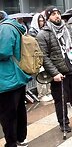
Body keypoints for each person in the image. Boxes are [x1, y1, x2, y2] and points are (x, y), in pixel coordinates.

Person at [0, 11, 31, 147]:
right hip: (16, 75)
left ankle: (12, 143)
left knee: (8, 114)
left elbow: (4, 51)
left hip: (7, 78)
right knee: (18, 110)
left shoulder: (5, 28)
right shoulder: (12, 26)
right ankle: (20, 138)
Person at [29, 13, 54, 102]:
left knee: (47, 73)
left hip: (45, 54)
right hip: (38, 56)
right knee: (41, 74)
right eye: (40, 21)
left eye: (43, 20)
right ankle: (42, 93)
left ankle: (48, 92)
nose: (42, 22)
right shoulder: (32, 31)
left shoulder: (44, 30)